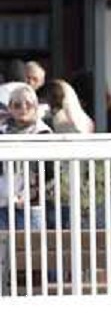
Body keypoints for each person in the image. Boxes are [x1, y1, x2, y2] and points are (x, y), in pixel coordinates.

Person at [0, 85, 53, 230]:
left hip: (31, 203)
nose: (23, 108)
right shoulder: (2, 132)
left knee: (33, 248)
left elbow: (49, 171)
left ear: (36, 107)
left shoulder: (43, 133)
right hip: (3, 201)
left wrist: (30, 193)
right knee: (4, 250)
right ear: (9, 108)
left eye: (28, 104)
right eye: (17, 105)